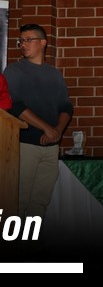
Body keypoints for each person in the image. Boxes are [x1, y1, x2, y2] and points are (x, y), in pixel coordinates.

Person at [3, 23, 73, 220]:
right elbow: (15, 105)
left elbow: (66, 107)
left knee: (40, 202)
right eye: (21, 41)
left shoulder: (54, 74)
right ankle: (14, 239)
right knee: (18, 201)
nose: (23, 44)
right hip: (24, 145)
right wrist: (47, 129)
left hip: (51, 147)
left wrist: (57, 131)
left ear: (43, 43)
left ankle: (32, 239)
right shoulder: (14, 71)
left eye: (28, 40)